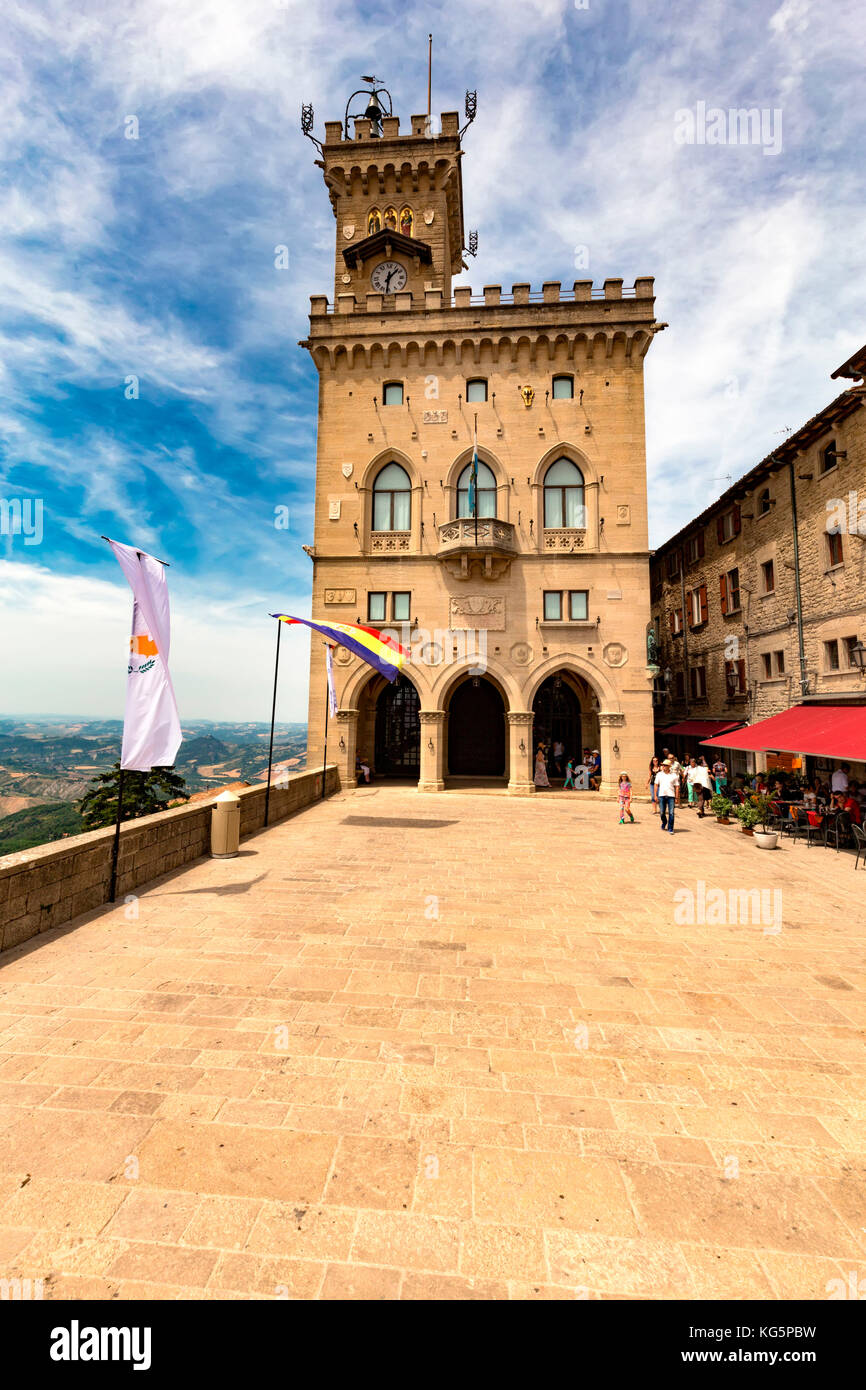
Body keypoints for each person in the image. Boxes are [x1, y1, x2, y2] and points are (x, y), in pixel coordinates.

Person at [655, 759, 679, 834]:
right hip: (661, 795)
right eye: (663, 765)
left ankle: (670, 828)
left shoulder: (674, 775)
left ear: (669, 766)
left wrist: (677, 797)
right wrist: (655, 795)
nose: (663, 766)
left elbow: (677, 786)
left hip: (671, 795)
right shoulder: (659, 774)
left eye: (665, 765)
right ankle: (664, 822)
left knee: (671, 813)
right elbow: (656, 785)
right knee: (662, 812)